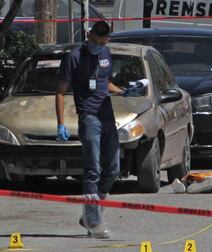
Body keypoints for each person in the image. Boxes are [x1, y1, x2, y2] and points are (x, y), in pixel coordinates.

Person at [55, 21, 124, 239]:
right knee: (93, 167)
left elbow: (106, 83)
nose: (96, 45)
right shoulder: (73, 57)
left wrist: (124, 92)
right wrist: (61, 123)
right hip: (89, 117)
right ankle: (93, 220)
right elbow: (60, 91)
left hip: (107, 116)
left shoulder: (106, 54)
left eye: (101, 43)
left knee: (113, 167)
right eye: (93, 41)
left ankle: (90, 213)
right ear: (88, 34)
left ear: (107, 41)